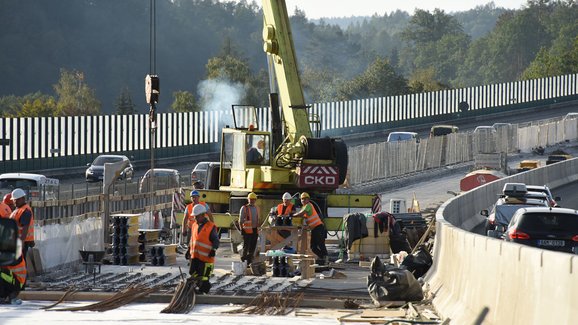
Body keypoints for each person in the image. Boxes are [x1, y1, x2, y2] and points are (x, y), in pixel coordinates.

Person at [188, 204, 219, 294]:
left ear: (202, 215)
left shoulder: (210, 226)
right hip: (195, 256)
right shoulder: (194, 225)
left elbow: (216, 240)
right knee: (193, 272)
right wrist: (188, 249)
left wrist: (213, 249)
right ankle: (198, 286)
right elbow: (193, 238)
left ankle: (204, 290)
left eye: (197, 216)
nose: (195, 218)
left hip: (206, 257)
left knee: (204, 276)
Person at [292, 192, 328, 265]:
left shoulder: (308, 205)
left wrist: (293, 215)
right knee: (313, 247)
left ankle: (325, 258)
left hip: (318, 227)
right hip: (314, 229)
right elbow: (304, 216)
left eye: (305, 199)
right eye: (302, 199)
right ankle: (322, 257)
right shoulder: (304, 207)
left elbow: (301, 213)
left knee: (320, 244)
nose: (303, 200)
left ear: (308, 199)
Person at [182, 190, 213, 258]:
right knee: (190, 244)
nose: (194, 199)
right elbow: (185, 219)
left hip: (202, 228)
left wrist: (212, 226)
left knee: (201, 243)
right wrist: (183, 230)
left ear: (198, 197)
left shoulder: (204, 205)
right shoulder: (188, 207)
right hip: (191, 228)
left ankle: (200, 257)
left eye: (195, 197)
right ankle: (191, 258)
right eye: (192, 197)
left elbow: (210, 216)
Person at [9, 189, 34, 261]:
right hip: (16, 240)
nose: (14, 202)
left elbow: (25, 228)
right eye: (14, 200)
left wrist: (22, 242)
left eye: (16, 200)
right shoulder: (18, 209)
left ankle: (23, 272)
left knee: (20, 261)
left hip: (21, 241)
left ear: (23, 198)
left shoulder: (25, 211)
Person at [239, 192, 259, 265]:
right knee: (246, 247)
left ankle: (249, 261)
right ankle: (244, 260)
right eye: (251, 199)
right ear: (248, 199)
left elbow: (258, 219)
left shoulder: (257, 208)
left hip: (254, 230)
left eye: (253, 199)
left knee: (252, 247)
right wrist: (241, 229)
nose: (252, 201)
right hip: (246, 231)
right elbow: (240, 220)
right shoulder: (244, 208)